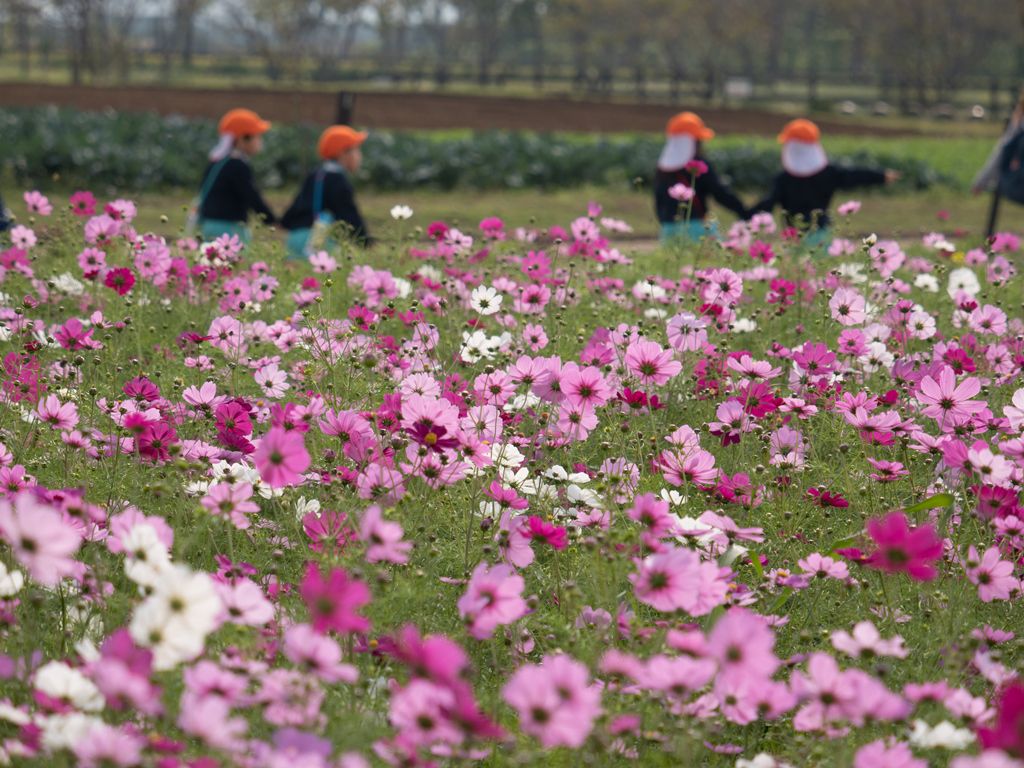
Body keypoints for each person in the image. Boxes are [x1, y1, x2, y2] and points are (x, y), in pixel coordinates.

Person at [752, 119, 900, 246]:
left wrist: (747, 215)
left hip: (792, 236)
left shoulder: (784, 178)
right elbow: (854, 175)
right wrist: (881, 176)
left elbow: (768, 203)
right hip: (821, 232)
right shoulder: (828, 173)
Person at [654, 111, 748, 242]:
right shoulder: (698, 164)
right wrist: (744, 212)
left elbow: (658, 202)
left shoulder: (662, 168)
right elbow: (719, 193)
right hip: (697, 230)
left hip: (667, 231)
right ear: (694, 142)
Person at [282, 125, 372, 259]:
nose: (359, 155)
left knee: (298, 278)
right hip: (318, 240)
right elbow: (348, 213)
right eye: (356, 150)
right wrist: (365, 241)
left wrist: (284, 222)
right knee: (325, 279)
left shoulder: (316, 174)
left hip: (295, 237)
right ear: (343, 153)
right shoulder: (338, 180)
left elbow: (298, 203)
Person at [196, 108, 276, 243]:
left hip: (209, 225)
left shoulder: (217, 162)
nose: (259, 141)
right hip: (229, 230)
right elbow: (251, 195)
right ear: (243, 138)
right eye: (257, 136)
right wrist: (270, 219)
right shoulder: (237, 165)